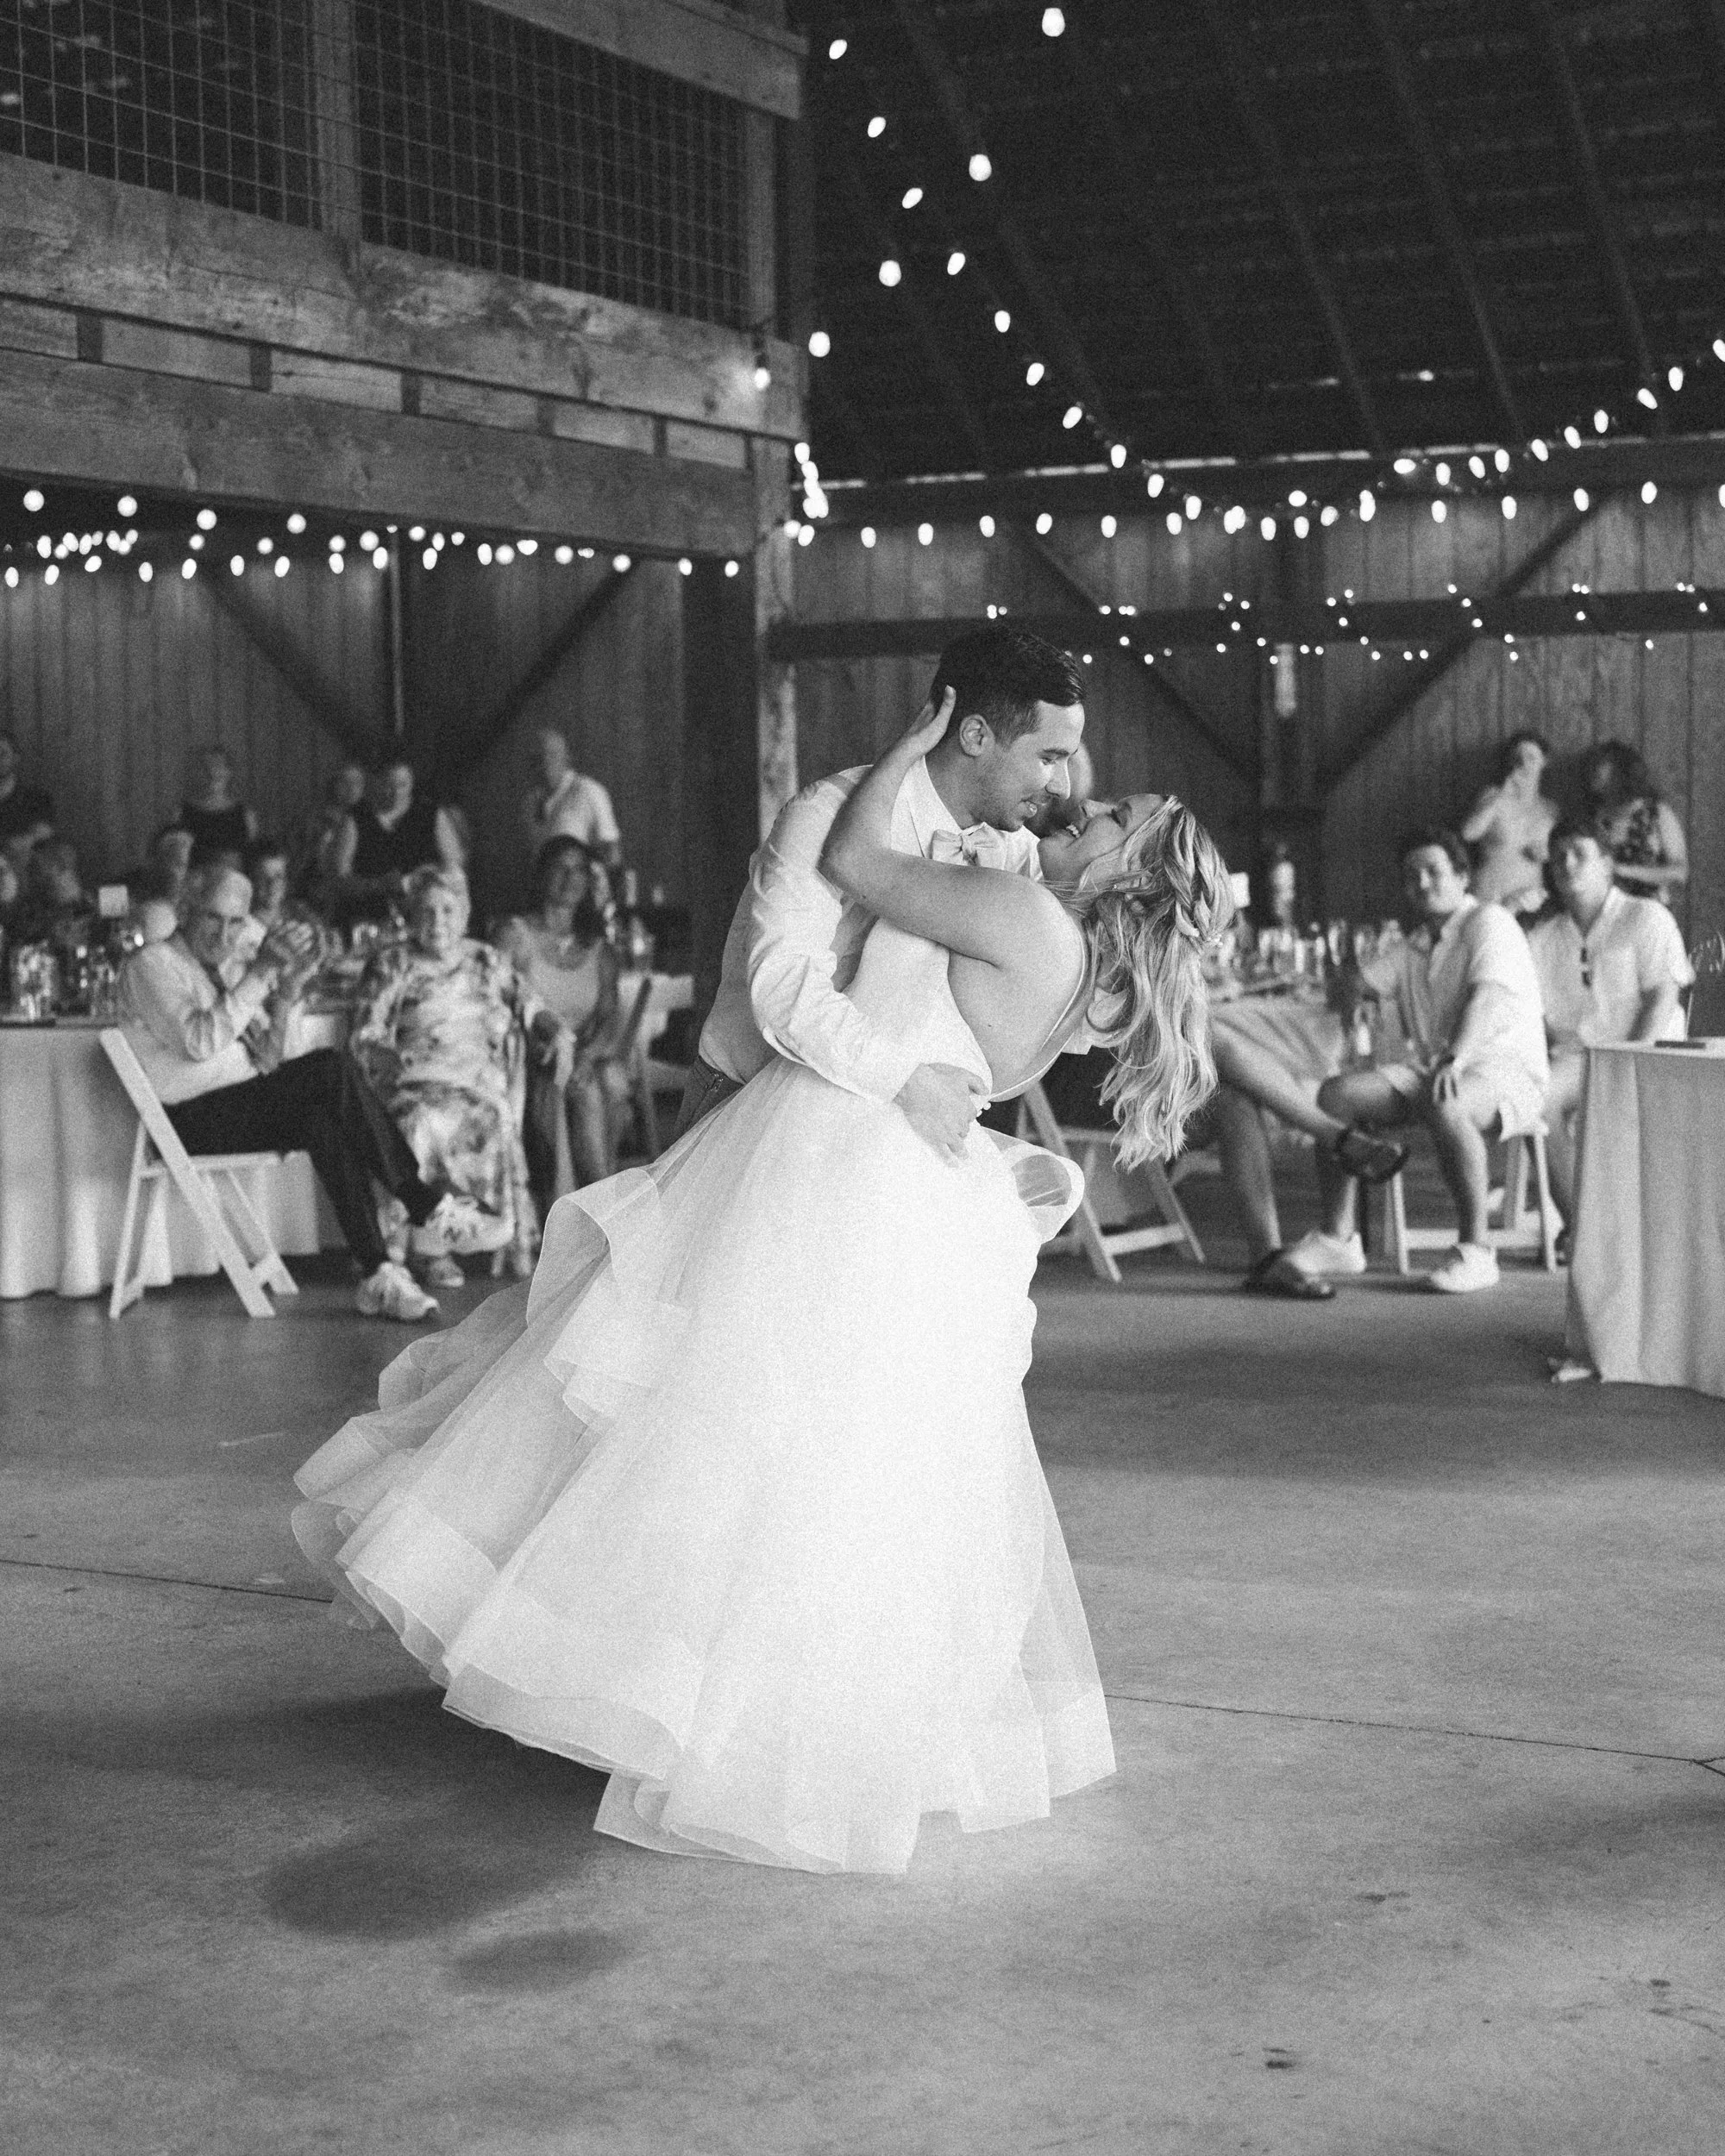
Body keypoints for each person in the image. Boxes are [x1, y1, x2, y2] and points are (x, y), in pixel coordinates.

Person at [290, 676, 1233, 1875]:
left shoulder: (1026, 915)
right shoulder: (1066, 949)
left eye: (1112, 814)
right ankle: (719, 1695)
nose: (1083, 804)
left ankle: (690, 1707)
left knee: (725, 1424)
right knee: (800, 1452)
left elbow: (857, 858)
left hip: (838, 1152)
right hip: (893, 1168)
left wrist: (909, 746)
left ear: (1128, 869)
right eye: (1068, 774)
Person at [678, 625, 1085, 1146]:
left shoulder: (1013, 853)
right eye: (1049, 757)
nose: (1063, 786)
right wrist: (908, 1082)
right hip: (744, 1101)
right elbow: (781, 986)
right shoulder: (823, 812)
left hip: (882, 1132)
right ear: (977, 736)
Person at [118, 863, 477, 1323]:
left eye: (235, 922)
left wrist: (284, 991)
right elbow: (199, 1041)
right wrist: (260, 972)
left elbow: (268, 1060)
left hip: (236, 1104)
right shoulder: (153, 964)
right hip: (186, 1121)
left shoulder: (225, 969)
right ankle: (418, 1196)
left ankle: (378, 1273)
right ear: (186, 910)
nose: (224, 933)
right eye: (212, 918)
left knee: (322, 1119)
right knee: (329, 1066)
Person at [1316, 828, 1547, 1294]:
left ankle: (1477, 1251)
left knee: (1449, 1103)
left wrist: (1456, 1058)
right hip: (1437, 1067)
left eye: (1434, 872)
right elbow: (1351, 982)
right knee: (1335, 1096)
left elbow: (1486, 1000)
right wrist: (1354, 995)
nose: (1422, 884)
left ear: (1462, 876)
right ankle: (1339, 1238)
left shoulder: (1490, 921)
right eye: (1411, 876)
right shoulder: (1416, 943)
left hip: (1503, 1069)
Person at [348, 866, 561, 1285]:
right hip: (414, 1080)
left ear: (464, 913)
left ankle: (448, 1245)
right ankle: (421, 1250)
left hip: (476, 1082)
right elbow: (365, 1030)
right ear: (410, 916)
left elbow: (531, 1004)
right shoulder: (391, 964)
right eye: (426, 912)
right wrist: (386, 1058)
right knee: (420, 1122)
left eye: (448, 910)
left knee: (488, 1116)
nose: (437, 922)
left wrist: (557, 1033)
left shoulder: (486, 960)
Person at [1527, 818, 1691, 1228]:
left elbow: (1662, 999)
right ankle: (1580, 1229)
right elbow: (1533, 1017)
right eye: (1558, 856)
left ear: (1606, 863)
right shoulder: (1543, 938)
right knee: (1534, 1099)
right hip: (1580, 1058)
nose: (1567, 864)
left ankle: (1648, 1228)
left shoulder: (1646, 917)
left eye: (1579, 853)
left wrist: (1626, 1062)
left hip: (1648, 1055)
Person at [495, 837, 630, 1205]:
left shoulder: (599, 946)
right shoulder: (515, 934)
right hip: (534, 1055)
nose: (572, 877)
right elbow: (498, 1004)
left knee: (611, 1080)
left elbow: (608, 1017)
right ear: (541, 876)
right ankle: (604, 1205)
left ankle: (589, 1203)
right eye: (562, 867)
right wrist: (552, 1048)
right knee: (592, 1088)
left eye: (581, 870)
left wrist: (585, 1057)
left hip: (586, 1054)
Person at [329, 758, 466, 922]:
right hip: (367, 915)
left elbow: (455, 867)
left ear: (412, 783)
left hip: (422, 913)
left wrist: (427, 877)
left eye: (403, 785)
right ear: (376, 783)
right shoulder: (356, 818)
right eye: (388, 785)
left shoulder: (431, 814)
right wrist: (379, 885)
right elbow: (340, 877)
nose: (396, 793)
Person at [1460, 731, 1558, 914]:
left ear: (1544, 762)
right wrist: (1501, 796)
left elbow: (1561, 853)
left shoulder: (1550, 809)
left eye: (1531, 757)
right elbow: (1468, 833)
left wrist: (1548, 854)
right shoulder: (1492, 796)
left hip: (1530, 903)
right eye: (1517, 758)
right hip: (1489, 898)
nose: (1523, 763)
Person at [1583, 741, 1688, 907]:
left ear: (1620, 770)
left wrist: (1623, 871)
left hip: (1650, 912)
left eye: (1599, 765)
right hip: (1605, 912)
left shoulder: (1657, 814)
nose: (1591, 771)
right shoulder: (1594, 817)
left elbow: (1679, 873)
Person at [524, 728, 622, 868]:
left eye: (552, 755)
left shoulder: (588, 791)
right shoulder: (530, 804)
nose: (545, 763)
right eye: (538, 757)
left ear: (567, 758)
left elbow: (612, 855)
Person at [179, 745, 258, 866]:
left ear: (229, 772)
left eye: (218, 766)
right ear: (198, 773)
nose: (212, 772)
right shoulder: (182, 814)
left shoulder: (245, 815)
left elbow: (252, 858)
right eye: (206, 767)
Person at [0, 730, 54, 853]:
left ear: (15, 758)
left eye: (3, 754)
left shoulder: (36, 798)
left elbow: (45, 831)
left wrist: (28, 839)